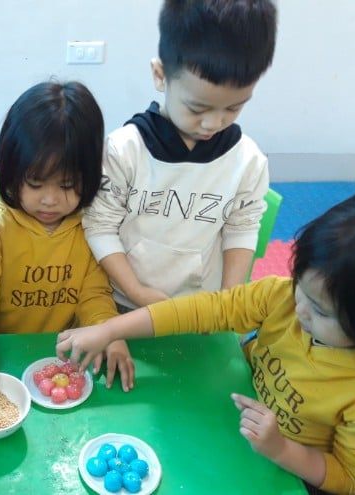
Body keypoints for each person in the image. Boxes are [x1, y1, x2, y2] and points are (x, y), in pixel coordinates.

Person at [57, 188, 355, 494]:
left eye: (321, 311)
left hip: (297, 473)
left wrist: (282, 449)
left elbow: (351, 479)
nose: (299, 307)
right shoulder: (284, 296)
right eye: (300, 285)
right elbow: (207, 309)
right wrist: (111, 329)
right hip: (237, 417)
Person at [83, 0, 277, 312]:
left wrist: (229, 301)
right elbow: (99, 226)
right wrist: (136, 291)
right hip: (121, 299)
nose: (213, 123)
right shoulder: (123, 151)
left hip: (200, 308)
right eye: (197, 108)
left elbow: (241, 229)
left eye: (233, 107)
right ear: (160, 75)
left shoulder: (248, 161)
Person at [0, 81, 134, 412]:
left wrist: (108, 331)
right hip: (2, 356)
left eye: (67, 185)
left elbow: (94, 294)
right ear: (11, 170)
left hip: (64, 357)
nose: (50, 200)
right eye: (35, 183)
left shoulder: (93, 227)